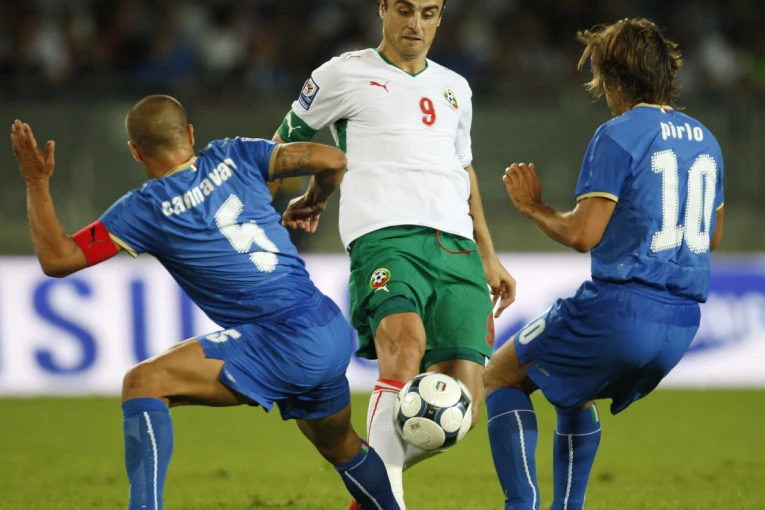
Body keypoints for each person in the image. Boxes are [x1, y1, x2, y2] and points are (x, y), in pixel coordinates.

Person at [10, 95, 401, 510]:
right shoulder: (237, 153)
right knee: (340, 447)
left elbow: (58, 259)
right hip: (326, 326)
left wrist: (36, 182)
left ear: (136, 152)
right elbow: (333, 159)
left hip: (283, 341)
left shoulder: (146, 208)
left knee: (144, 383)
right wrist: (314, 200)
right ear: (190, 133)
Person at [272, 1, 516, 507]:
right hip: (384, 237)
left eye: (428, 13)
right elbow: (282, 146)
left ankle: (369, 491)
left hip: (456, 246)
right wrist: (290, 202)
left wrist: (488, 254)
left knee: (462, 408)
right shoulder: (342, 73)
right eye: (405, 10)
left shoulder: (455, 87)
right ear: (382, 9)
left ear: (441, 17)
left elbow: (463, 170)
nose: (415, 24)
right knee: (404, 347)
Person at [482, 18, 725, 510]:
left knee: (499, 377)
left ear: (613, 77)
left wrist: (533, 207)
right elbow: (711, 237)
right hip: (681, 324)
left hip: (619, 311)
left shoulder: (618, 133)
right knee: (574, 392)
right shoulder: (706, 140)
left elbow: (582, 235)